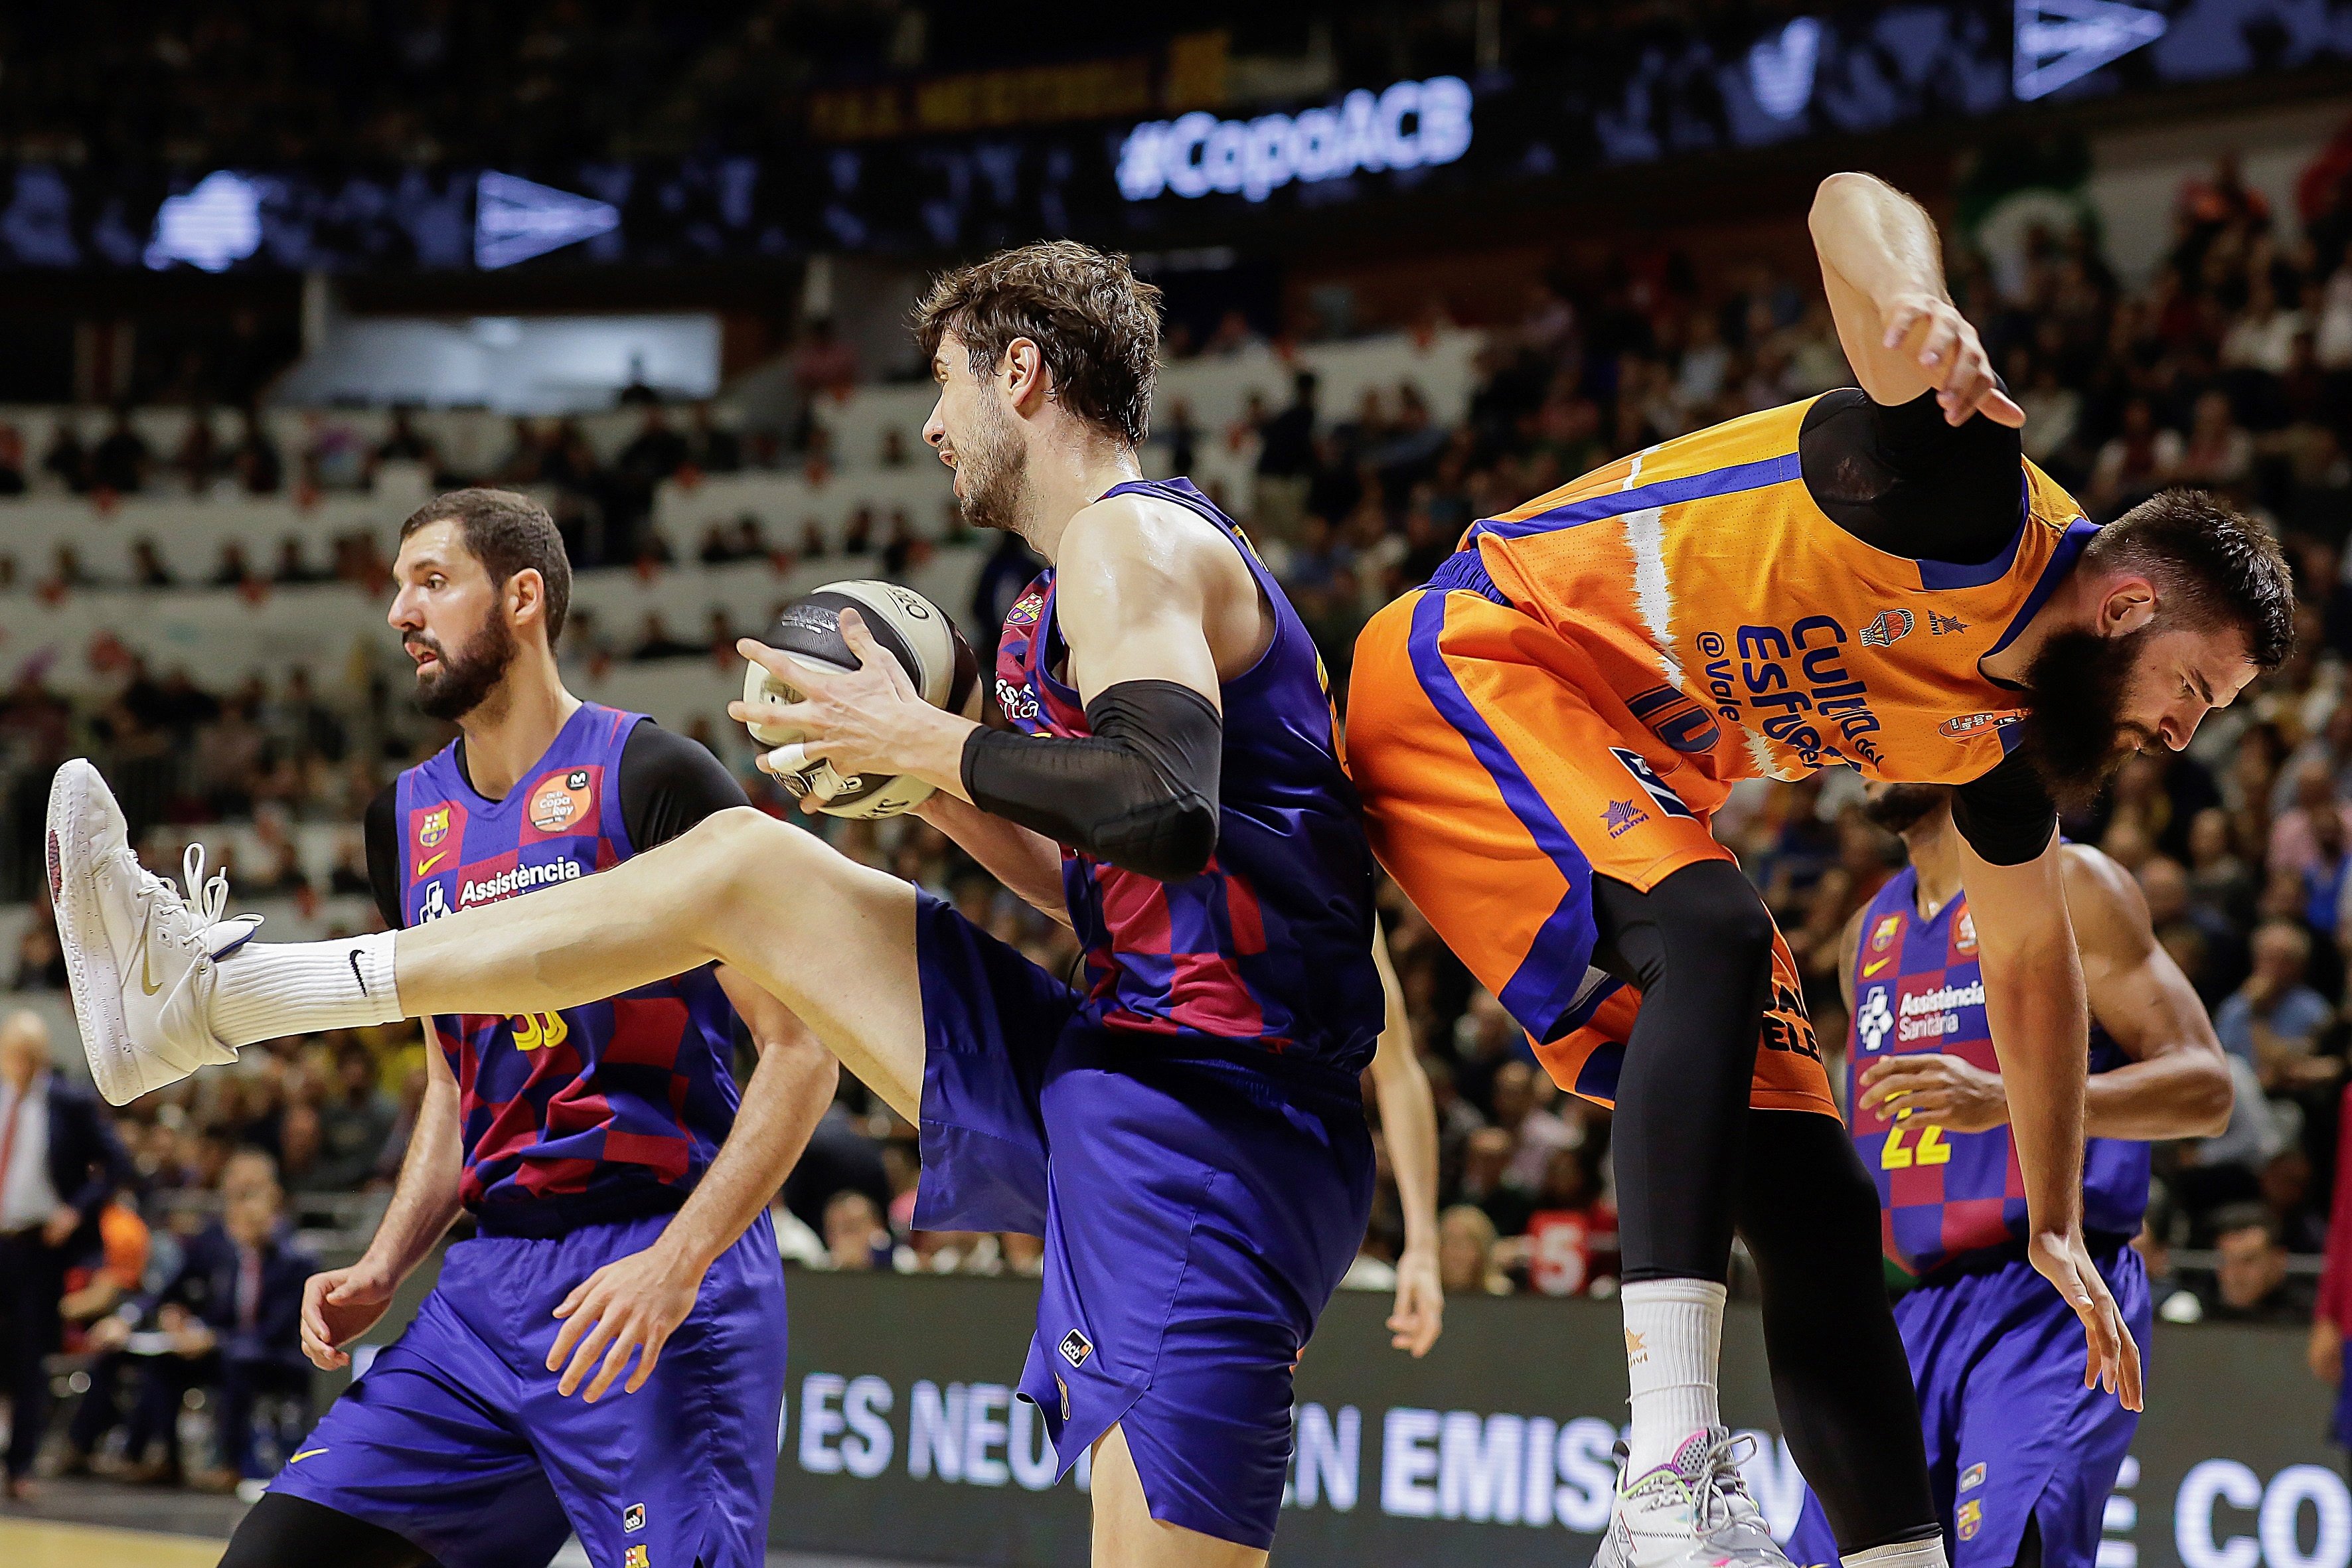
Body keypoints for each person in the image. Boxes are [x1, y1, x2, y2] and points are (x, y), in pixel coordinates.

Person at [52, 242, 1445, 1568]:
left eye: (945, 386)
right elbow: (1118, 890)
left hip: (1222, 1116)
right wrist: (933, 802)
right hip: (1138, 1060)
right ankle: (219, 994)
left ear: (1019, 373)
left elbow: (1167, 805)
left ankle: (219, 994)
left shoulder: (1126, 544)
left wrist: (921, 746)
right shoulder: (1048, 608)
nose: (928, 429)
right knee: (752, 871)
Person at [1342, 169, 2293, 1568]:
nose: (2179, 730)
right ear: (2132, 601)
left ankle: (1892, 1559)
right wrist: (1914, 300)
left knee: (1814, 1190)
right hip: (1482, 658)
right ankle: (1665, 1463)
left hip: (1628, 776)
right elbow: (1846, 195)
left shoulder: (2002, 746)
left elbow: (2030, 971)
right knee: (1715, 932)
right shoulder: (1965, 497)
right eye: (2193, 686)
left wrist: (2049, 1220)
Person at [102, 489, 834, 1568]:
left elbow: (799, 1048)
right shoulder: (402, 821)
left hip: (651, 1268)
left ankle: (208, 994)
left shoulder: (652, 778)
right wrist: (385, 1262)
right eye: (398, 585)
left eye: (432, 581)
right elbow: (454, 1080)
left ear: (523, 597)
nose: (401, 611)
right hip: (483, 1298)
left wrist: (681, 1259)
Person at [1786, 783, 2231, 1568]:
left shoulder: (2073, 881)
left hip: (2050, 1297)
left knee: (2013, 1550)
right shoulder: (1867, 936)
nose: (1864, 751)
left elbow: (2206, 1088)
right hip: (1915, 1306)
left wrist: (2010, 1100)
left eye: (1889, 722)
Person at [81, 1156, 315, 1489]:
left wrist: (212, 1339)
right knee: (164, 1363)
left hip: (272, 1355)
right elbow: (168, 1292)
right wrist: (157, 1318)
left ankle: (232, 1464)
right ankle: (162, 1458)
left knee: (239, 1361)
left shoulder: (295, 1257)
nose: (244, 1208)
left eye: (252, 1196)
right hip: (220, 1349)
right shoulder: (214, 1242)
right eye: (237, 1197)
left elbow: (274, 1329)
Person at [0, 1008, 131, 1500]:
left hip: (38, 1246)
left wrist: (74, 1212)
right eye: (13, 1052)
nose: (20, 1062)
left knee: (30, 1357)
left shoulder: (68, 1102)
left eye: (29, 1054)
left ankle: (21, 1468)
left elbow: (116, 1165)